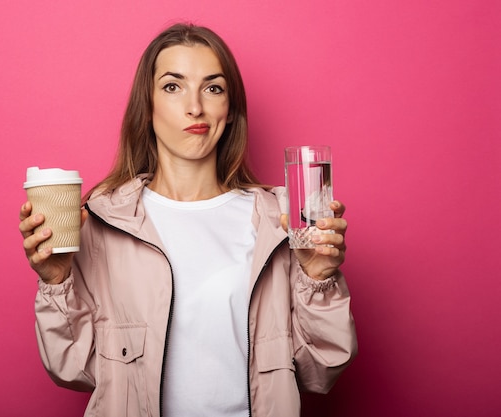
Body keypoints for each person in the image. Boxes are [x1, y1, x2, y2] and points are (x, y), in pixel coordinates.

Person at [19, 23, 357, 417]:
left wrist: (319, 279)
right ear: (147, 107)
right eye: (172, 86)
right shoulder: (102, 220)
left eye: (213, 88)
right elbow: (72, 368)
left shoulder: (280, 222)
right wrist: (57, 281)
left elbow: (321, 370)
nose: (195, 107)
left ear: (229, 111)